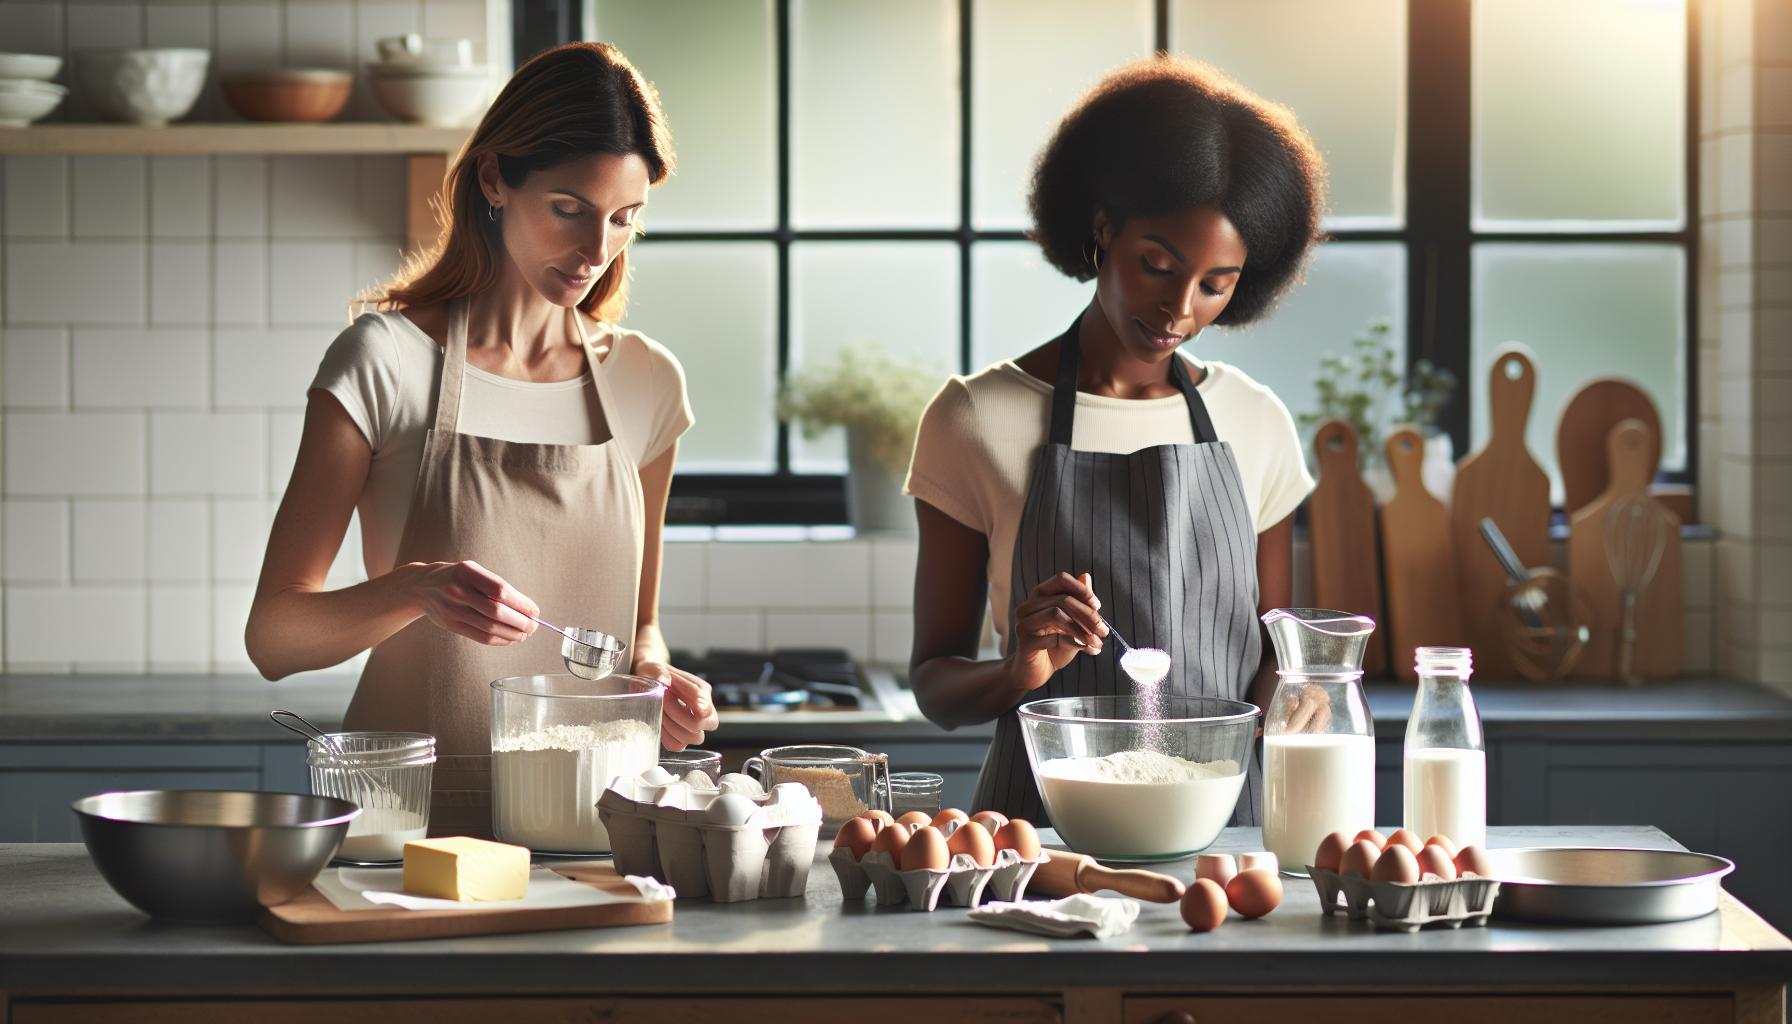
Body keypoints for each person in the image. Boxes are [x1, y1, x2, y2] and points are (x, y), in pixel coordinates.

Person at [245, 42, 717, 836]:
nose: (596, 250)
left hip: (595, 828)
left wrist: (656, 677)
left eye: (625, 219)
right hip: (409, 829)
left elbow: (639, 624)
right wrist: (412, 590)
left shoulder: (645, 382)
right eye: (568, 208)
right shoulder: (384, 361)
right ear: (496, 180)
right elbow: (275, 637)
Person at [905, 56, 1325, 825]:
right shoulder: (976, 418)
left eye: (1215, 283)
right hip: (1038, 846)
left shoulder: (1255, 423)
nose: (1179, 308)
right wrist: (1017, 671)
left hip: (1218, 837)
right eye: (1157, 265)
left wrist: (1300, 694)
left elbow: (1271, 662)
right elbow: (934, 687)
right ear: (1102, 231)